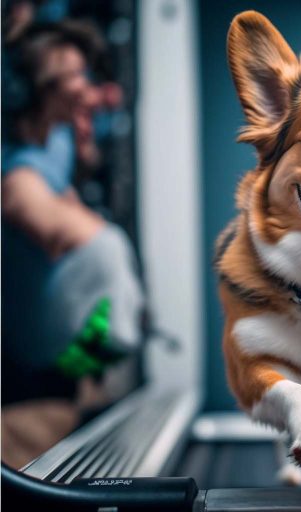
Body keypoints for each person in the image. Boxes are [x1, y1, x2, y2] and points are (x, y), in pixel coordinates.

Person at [1, 18, 144, 467]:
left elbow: (77, 158)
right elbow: (42, 218)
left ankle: (91, 375)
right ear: (39, 90)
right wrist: (80, 218)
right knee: (108, 248)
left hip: (61, 343)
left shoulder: (59, 134)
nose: (86, 87)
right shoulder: (19, 176)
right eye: (75, 76)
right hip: (31, 348)